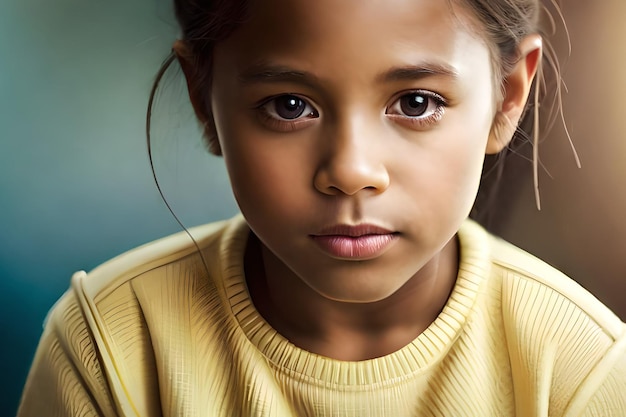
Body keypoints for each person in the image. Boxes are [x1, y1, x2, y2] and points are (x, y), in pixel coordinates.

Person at [18, 0, 626, 415]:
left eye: (415, 102)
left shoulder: (578, 368)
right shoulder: (111, 347)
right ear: (205, 100)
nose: (351, 171)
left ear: (508, 96)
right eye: (288, 106)